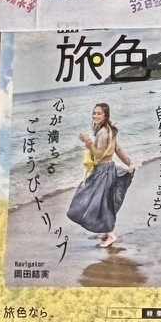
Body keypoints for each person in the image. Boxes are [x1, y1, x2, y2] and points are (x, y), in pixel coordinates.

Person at [67, 102, 135, 250]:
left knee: (92, 200)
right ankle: (106, 231)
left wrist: (88, 142)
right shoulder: (110, 130)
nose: (95, 116)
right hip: (109, 169)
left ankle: (111, 235)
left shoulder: (102, 133)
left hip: (103, 171)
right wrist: (129, 162)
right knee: (105, 202)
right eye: (94, 113)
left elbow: (98, 155)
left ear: (105, 116)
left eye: (99, 113)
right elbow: (117, 149)